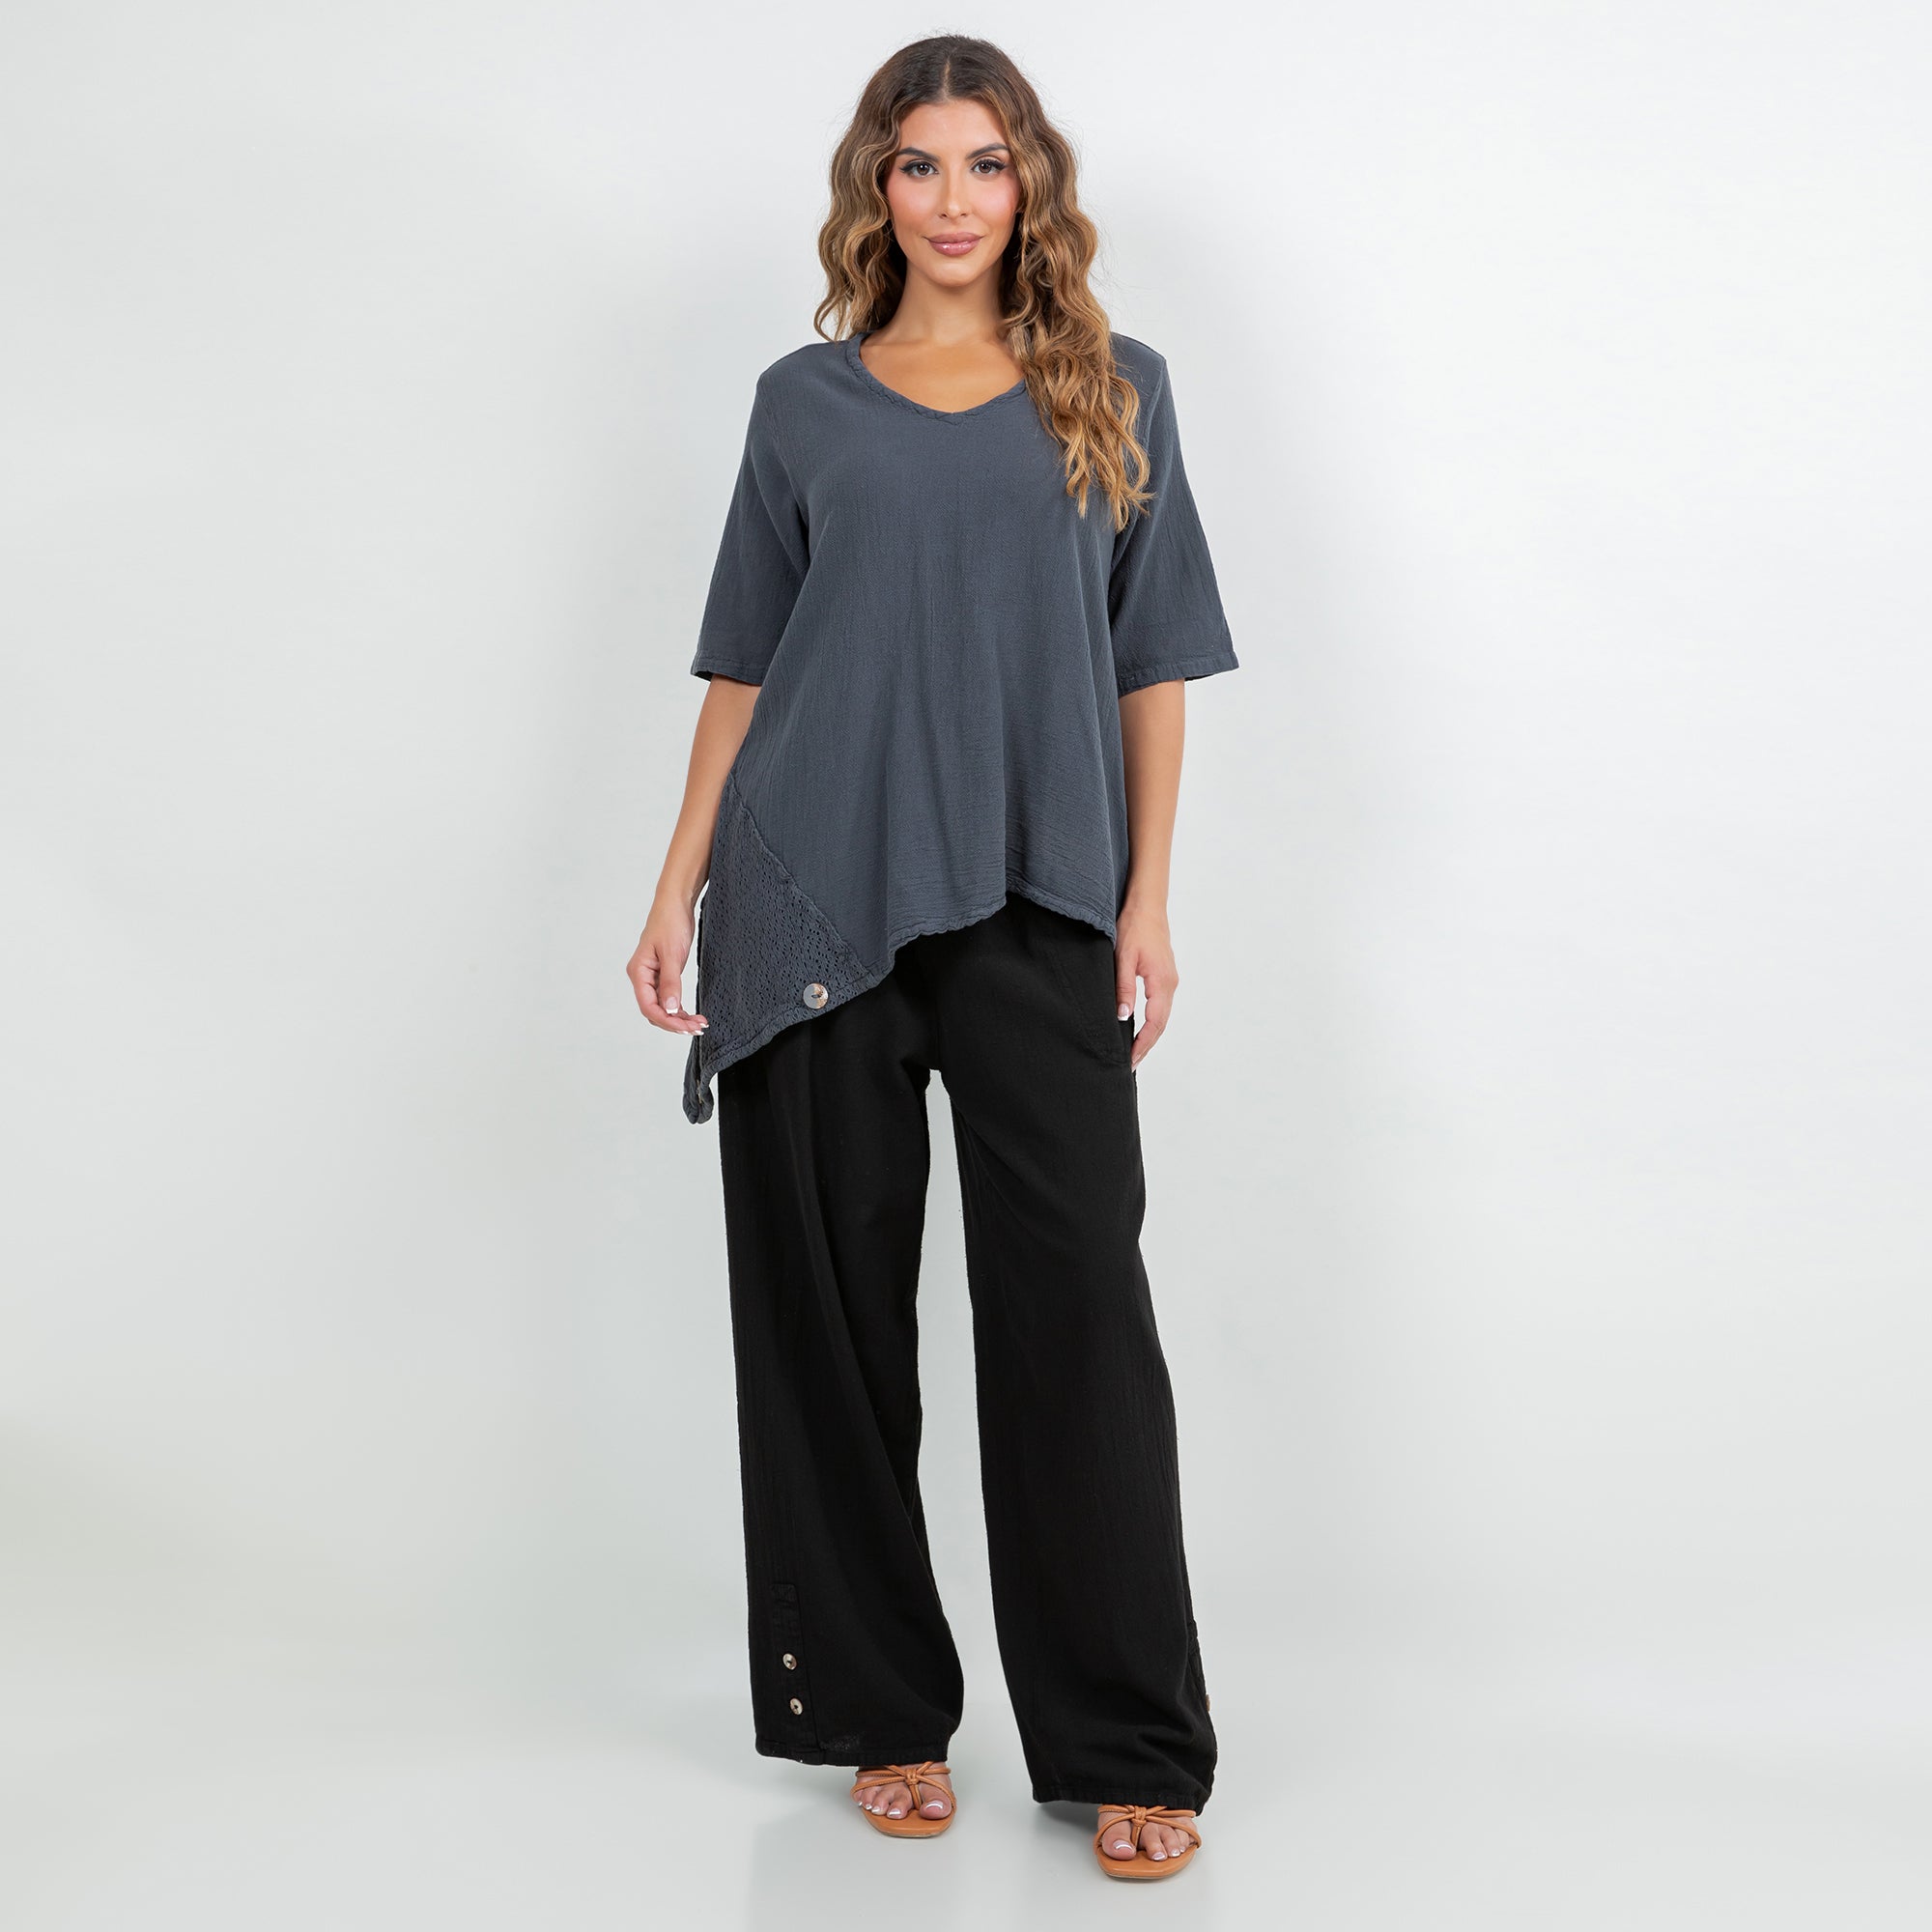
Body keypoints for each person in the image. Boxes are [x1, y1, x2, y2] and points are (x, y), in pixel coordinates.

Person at [626, 34, 1238, 1883]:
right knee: (827, 1321)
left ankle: (1127, 1742)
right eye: (919, 165)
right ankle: (876, 1711)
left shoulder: (1113, 388)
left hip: (1043, 896)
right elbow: (746, 660)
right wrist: (677, 885)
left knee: (1078, 1321)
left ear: (1029, 183)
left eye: (985, 163)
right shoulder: (801, 403)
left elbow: (1151, 662)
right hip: (811, 896)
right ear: (875, 190)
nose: (954, 199)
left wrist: (1145, 898)